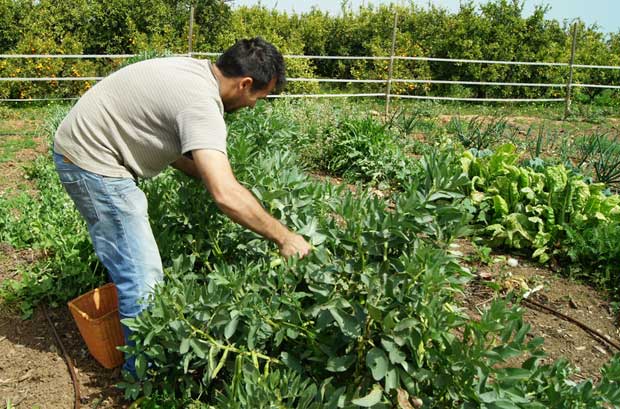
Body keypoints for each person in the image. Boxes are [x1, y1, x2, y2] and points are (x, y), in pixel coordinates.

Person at [52, 37, 312, 376]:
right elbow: (225, 194)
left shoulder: (195, 71)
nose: (253, 106)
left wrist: (212, 175)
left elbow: (161, 133)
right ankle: (141, 379)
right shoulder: (201, 104)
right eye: (257, 98)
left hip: (83, 146)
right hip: (93, 163)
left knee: (137, 267)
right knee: (142, 277)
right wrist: (284, 237)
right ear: (245, 84)